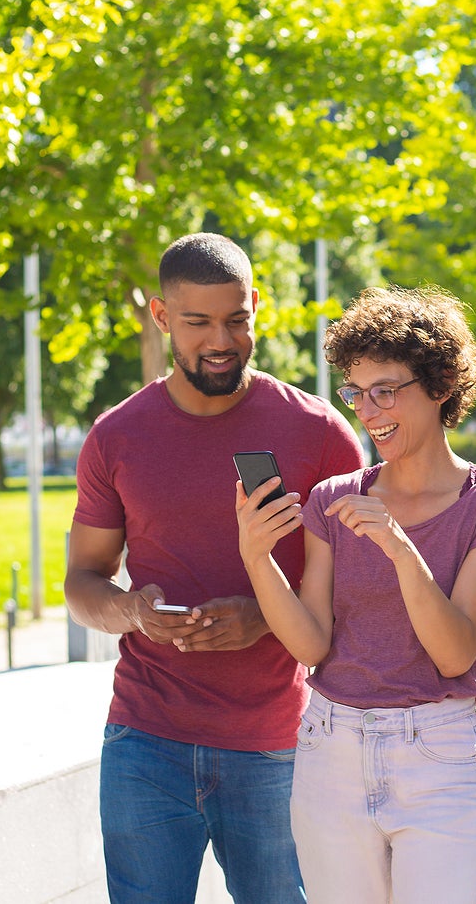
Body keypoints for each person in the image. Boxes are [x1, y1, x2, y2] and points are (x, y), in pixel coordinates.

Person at [65, 233, 364, 904]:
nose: (220, 340)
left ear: (257, 305)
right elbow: (82, 581)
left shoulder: (319, 433)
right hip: (145, 741)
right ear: (162, 317)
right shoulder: (117, 435)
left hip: (278, 743)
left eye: (237, 319)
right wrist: (133, 611)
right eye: (198, 323)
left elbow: (363, 583)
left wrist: (263, 616)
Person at [237, 285, 476, 904]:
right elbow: (311, 643)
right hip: (330, 750)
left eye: (386, 390)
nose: (368, 411)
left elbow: (455, 653)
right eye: (356, 392)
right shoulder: (331, 498)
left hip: (437, 756)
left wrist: (401, 548)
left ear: (440, 386)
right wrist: (256, 556)